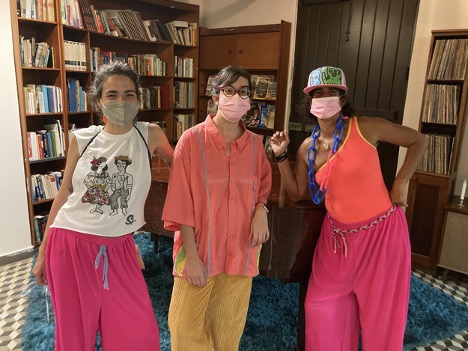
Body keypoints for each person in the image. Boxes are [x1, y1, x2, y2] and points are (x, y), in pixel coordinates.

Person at [270, 66, 428, 351]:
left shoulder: (366, 127)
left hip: (381, 236)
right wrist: (281, 155)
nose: (326, 97)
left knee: (381, 319)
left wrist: (401, 181)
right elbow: (296, 193)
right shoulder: (308, 146)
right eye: (319, 93)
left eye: (333, 92)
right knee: (319, 307)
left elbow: (419, 140)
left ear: (343, 99)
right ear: (310, 101)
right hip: (335, 241)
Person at [32, 62, 173, 351]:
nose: (121, 101)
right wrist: (43, 253)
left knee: (138, 334)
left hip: (119, 246)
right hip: (69, 243)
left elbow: (186, 173)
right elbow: (64, 194)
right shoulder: (82, 139)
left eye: (129, 94)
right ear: (98, 101)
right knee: (74, 337)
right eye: (112, 95)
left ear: (139, 100)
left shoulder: (151, 135)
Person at [162, 65, 272, 350]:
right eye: (229, 91)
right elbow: (180, 201)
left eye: (243, 92)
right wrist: (194, 258)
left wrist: (262, 210)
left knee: (228, 328)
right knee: (184, 328)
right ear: (215, 97)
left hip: (240, 250)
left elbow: (261, 187)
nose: (236, 97)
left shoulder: (257, 145)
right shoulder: (192, 140)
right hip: (200, 249)